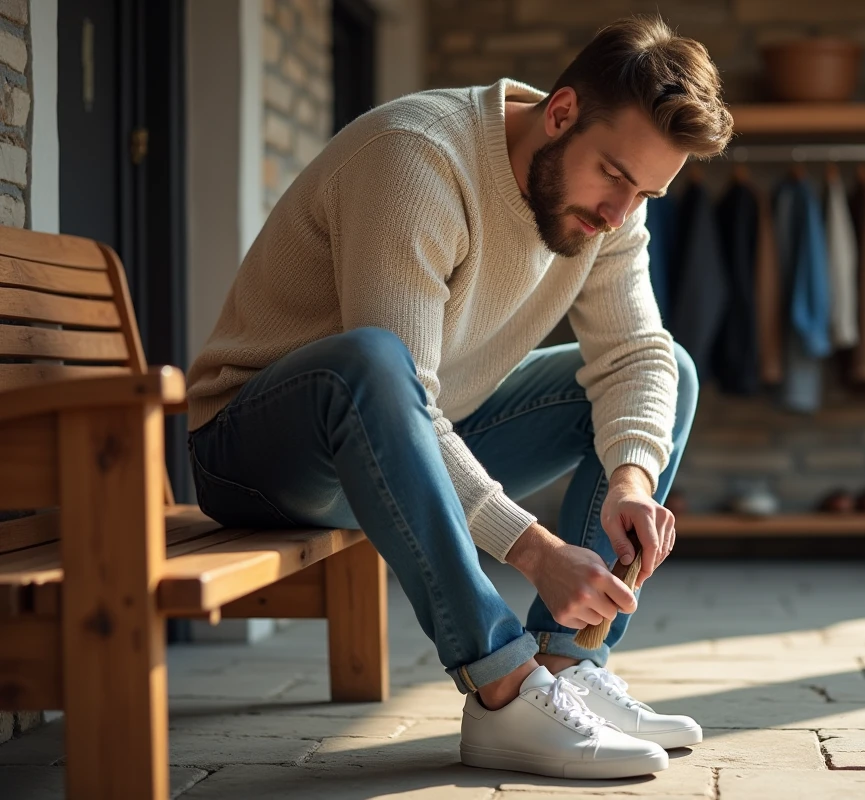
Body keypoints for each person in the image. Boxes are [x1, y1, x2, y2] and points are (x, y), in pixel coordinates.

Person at [185, 15, 733, 780]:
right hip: (260, 452)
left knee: (664, 362)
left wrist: (629, 482)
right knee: (374, 362)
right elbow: (396, 384)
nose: (618, 214)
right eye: (613, 174)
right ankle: (503, 690)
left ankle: (567, 666)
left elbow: (633, 353)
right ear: (562, 111)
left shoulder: (615, 212)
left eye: (646, 193)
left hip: (407, 436)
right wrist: (535, 549)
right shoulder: (418, 159)